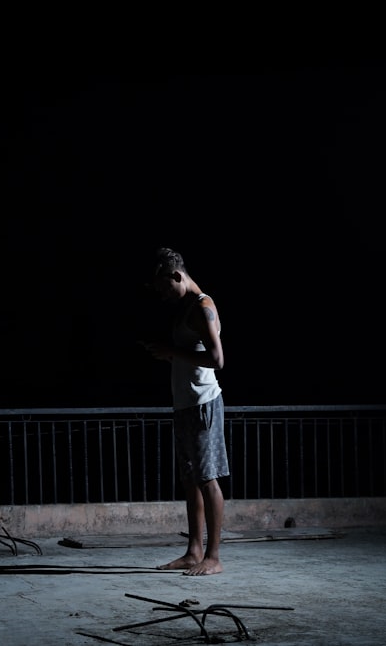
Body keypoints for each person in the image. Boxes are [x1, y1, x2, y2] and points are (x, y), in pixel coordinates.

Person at [140, 247, 228, 576]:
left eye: (165, 287)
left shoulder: (203, 306)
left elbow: (218, 360)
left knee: (208, 480)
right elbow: (190, 354)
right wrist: (169, 355)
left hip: (204, 405)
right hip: (185, 406)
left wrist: (172, 351)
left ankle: (214, 557)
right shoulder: (184, 308)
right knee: (190, 481)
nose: (163, 295)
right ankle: (194, 550)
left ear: (177, 276)